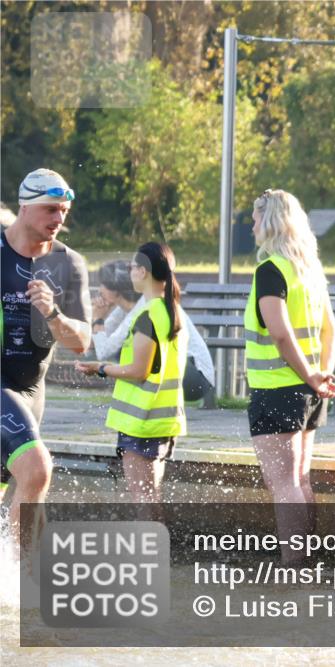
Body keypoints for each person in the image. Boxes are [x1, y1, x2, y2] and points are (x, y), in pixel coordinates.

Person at [244, 189, 335, 564]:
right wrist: (320, 375)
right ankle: (307, 559)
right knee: (300, 478)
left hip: (277, 388)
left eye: (254, 218)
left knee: (283, 483)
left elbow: (279, 333)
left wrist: (312, 376)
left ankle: (293, 567)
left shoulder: (271, 270)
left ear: (269, 222)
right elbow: (332, 329)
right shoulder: (309, 270)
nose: (251, 225)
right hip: (308, 390)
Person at [1, 169, 92, 546]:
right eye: (51, 210)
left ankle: (13, 584)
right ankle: (19, 585)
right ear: (25, 207)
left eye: (65, 211)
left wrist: (54, 314)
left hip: (31, 392)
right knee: (37, 469)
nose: (59, 219)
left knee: (22, 494)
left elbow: (81, 342)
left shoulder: (69, 264)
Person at [76, 243, 187, 509]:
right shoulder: (169, 310)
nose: (129, 272)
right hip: (162, 420)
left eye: (132, 267)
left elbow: (138, 371)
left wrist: (100, 368)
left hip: (142, 421)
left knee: (143, 503)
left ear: (144, 272)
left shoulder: (148, 315)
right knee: (151, 499)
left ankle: (150, 551)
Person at [91, 260, 215, 401]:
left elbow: (103, 352)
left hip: (196, 378)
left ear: (115, 290)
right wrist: (98, 317)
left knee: (125, 349)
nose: (99, 290)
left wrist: (98, 319)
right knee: (127, 349)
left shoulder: (142, 307)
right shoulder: (125, 308)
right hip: (185, 372)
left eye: (102, 285)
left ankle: (141, 402)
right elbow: (97, 342)